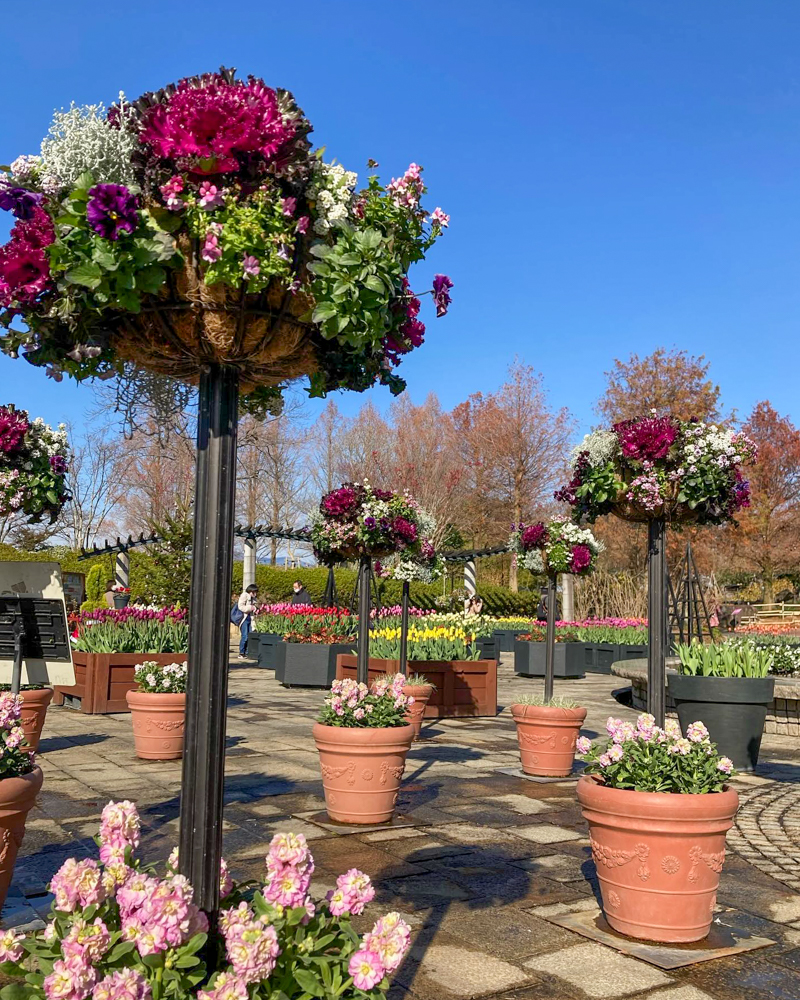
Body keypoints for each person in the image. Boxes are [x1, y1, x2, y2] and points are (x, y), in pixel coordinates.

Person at [236, 584, 259, 659]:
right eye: (254, 592)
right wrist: (250, 607)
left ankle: (247, 652)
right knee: (245, 636)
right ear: (251, 591)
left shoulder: (254, 598)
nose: (255, 593)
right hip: (244, 619)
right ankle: (241, 652)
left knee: (250, 636)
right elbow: (241, 607)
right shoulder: (244, 596)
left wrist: (255, 608)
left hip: (251, 619)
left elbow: (255, 607)